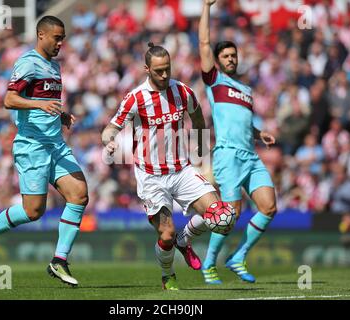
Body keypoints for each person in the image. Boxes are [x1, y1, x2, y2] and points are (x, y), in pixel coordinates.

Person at [0, 16, 89, 287]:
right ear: (41, 35)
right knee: (34, 212)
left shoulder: (55, 66)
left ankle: (59, 260)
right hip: (31, 146)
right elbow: (9, 99)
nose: (60, 43)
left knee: (79, 194)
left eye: (63, 38)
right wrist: (39, 105)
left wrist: (61, 114)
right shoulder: (27, 62)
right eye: (56, 37)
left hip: (55, 143)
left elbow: (47, 102)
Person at [101, 42, 233, 290]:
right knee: (166, 234)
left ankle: (186, 240)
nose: (164, 75)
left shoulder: (182, 92)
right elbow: (111, 127)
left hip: (182, 170)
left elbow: (197, 117)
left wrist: (202, 147)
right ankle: (168, 276)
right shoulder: (135, 98)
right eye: (159, 70)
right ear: (146, 69)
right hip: (151, 177)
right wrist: (108, 142)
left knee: (222, 215)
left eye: (167, 69)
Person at [198, 0, 277, 284]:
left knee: (268, 206)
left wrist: (259, 133)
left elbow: (241, 121)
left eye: (234, 55)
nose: (231, 59)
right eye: (226, 56)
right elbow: (204, 41)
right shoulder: (215, 80)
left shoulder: (245, 90)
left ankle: (238, 257)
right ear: (218, 60)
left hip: (250, 155)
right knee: (230, 216)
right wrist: (206, 7)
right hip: (228, 155)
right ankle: (209, 264)